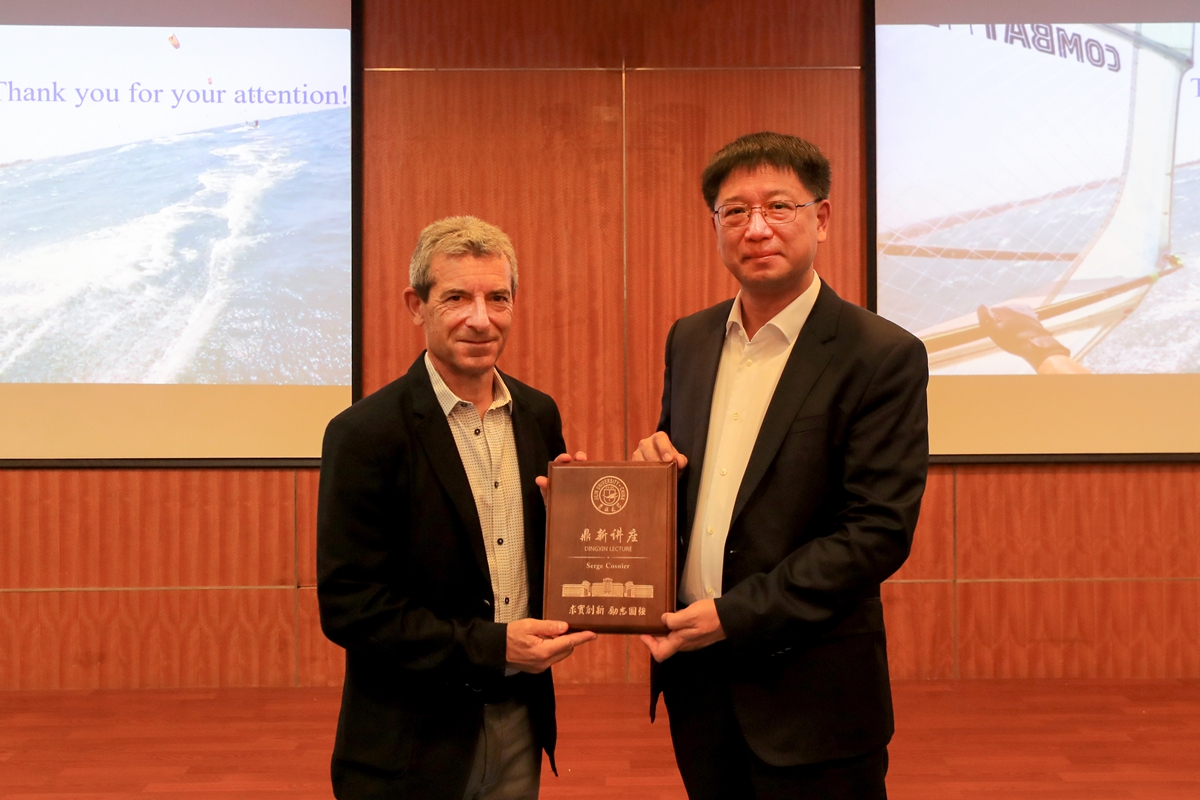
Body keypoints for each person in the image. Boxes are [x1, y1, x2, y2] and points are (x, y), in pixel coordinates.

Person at [632, 132, 930, 799]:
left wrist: (733, 615)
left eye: (778, 207)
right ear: (715, 226)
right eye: (734, 211)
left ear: (821, 219)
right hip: (698, 683)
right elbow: (690, 473)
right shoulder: (691, 338)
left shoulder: (880, 355)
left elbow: (876, 533)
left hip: (814, 697)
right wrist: (652, 470)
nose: (756, 227)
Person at [317, 215, 596, 800]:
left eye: (498, 298)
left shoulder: (539, 416)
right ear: (416, 306)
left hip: (520, 720)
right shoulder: (364, 434)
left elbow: (538, 561)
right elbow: (350, 608)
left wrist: (575, 526)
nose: (481, 318)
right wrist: (493, 648)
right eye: (456, 298)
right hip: (410, 741)